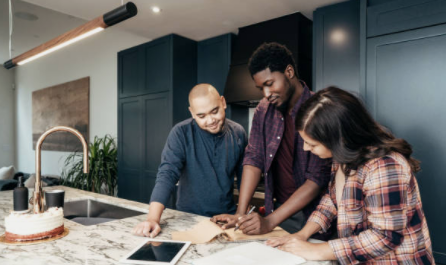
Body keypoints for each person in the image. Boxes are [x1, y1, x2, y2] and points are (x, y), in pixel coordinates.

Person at [267, 86, 434, 264]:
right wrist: (302, 235)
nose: (305, 148)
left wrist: (318, 250)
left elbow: (385, 237)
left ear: (339, 139)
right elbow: (331, 202)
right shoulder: (342, 159)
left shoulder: (385, 166)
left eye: (312, 144)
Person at [212, 42, 332, 237]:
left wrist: (269, 221)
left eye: (269, 84)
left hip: (315, 216)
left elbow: (317, 178)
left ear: (289, 72)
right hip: (277, 211)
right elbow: (254, 158)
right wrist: (240, 213)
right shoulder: (263, 109)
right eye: (261, 88)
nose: (266, 94)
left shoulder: (318, 110)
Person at [133, 84, 247, 238]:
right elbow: (167, 174)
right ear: (192, 113)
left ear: (223, 102)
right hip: (188, 219)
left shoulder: (238, 133)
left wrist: (242, 214)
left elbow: (244, 178)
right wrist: (153, 219)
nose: (211, 120)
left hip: (226, 219)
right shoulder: (181, 133)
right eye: (202, 116)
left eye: (215, 111)